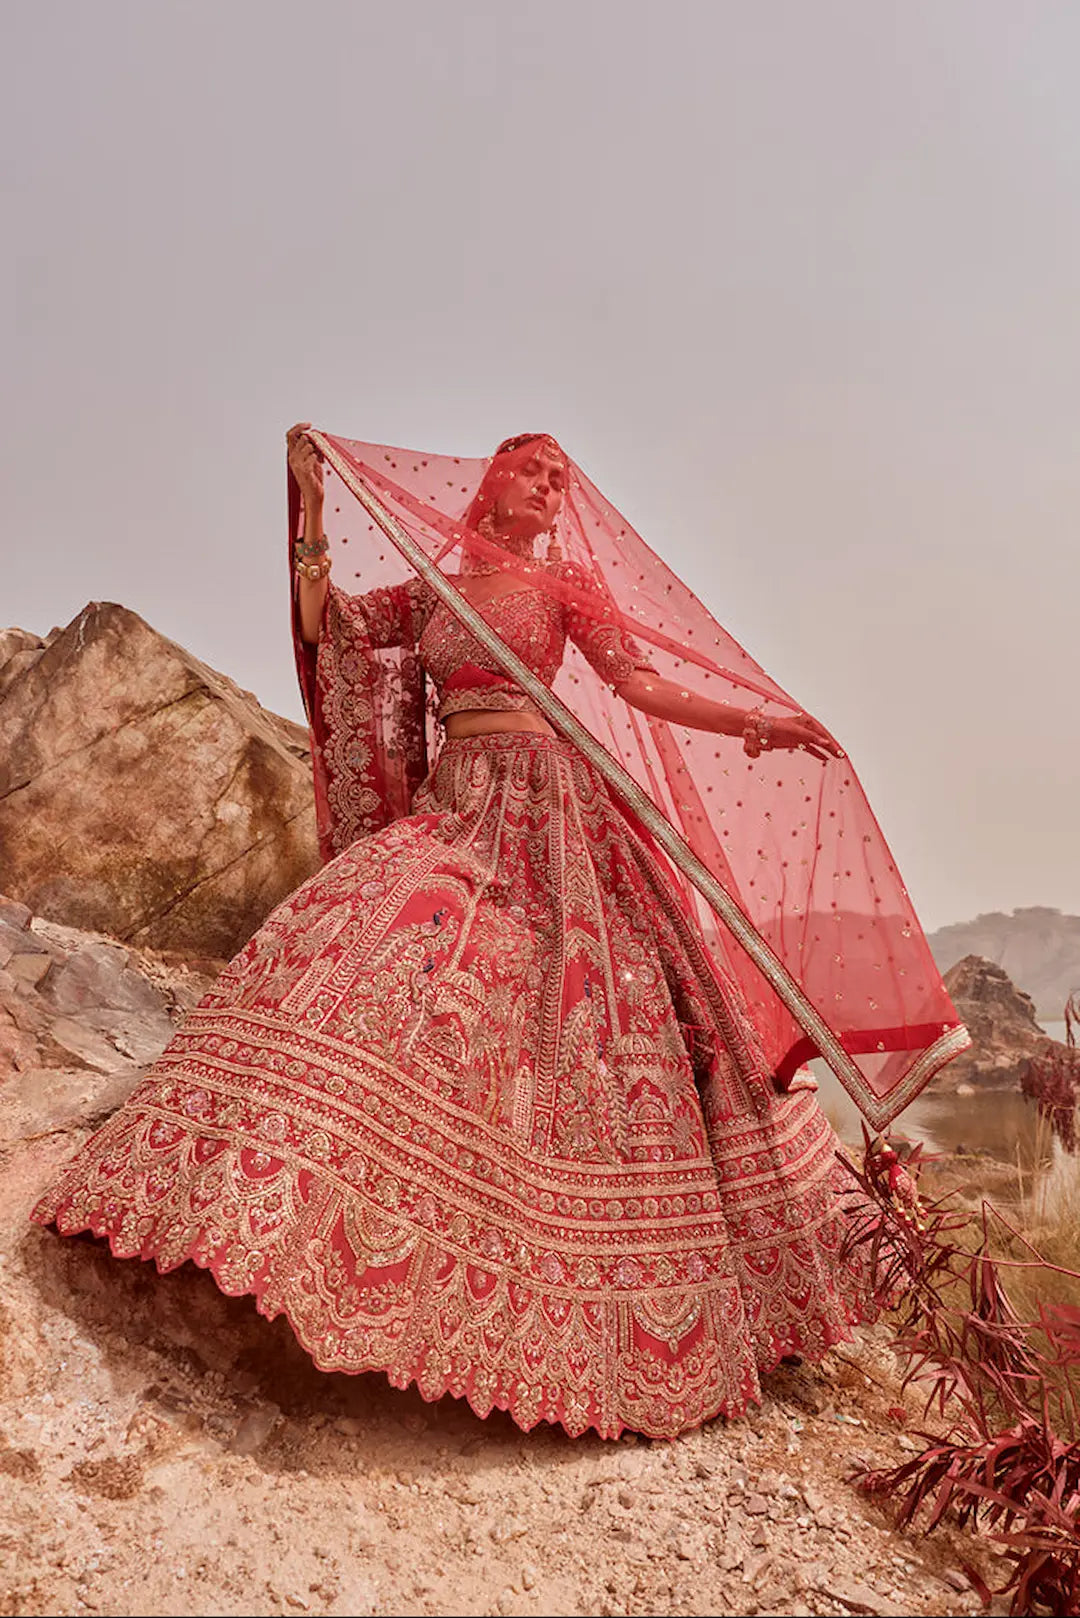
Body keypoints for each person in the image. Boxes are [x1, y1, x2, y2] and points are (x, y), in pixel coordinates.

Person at [32, 424, 966, 1440]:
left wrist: (757, 722)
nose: (554, 486)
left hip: (553, 810)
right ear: (491, 480)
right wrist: (308, 503)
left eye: (562, 476)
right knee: (365, 932)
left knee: (582, 1007)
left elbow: (639, 686)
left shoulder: (566, 588)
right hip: (458, 801)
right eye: (536, 468)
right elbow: (329, 625)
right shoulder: (435, 583)